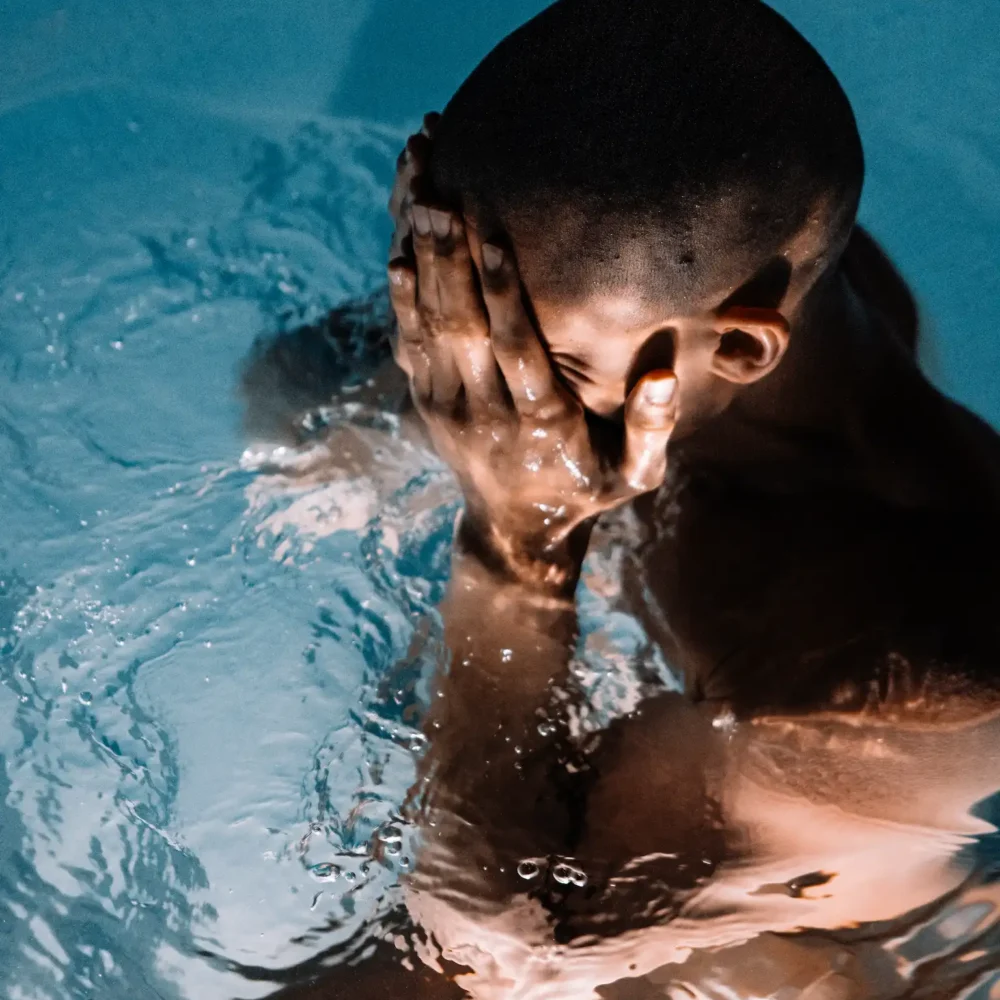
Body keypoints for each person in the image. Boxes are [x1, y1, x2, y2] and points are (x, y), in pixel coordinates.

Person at [239, 0, 1000, 995]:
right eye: (452, 300)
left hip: (793, 947)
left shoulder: (876, 678)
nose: (486, 382)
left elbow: (495, 943)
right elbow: (294, 413)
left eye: (526, 362)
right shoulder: (730, 283)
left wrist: (519, 547)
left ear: (735, 346)